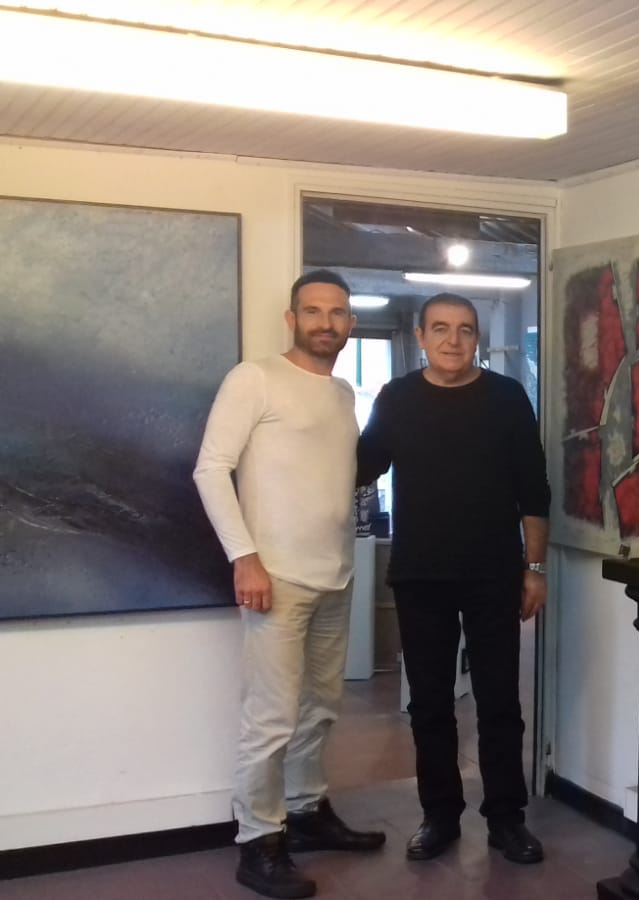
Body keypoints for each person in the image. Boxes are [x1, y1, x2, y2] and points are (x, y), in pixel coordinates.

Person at [194, 270, 386, 900]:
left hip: (335, 575)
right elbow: (211, 470)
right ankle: (258, 842)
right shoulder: (254, 379)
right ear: (292, 318)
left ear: (350, 323)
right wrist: (244, 557)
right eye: (313, 311)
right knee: (271, 718)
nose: (325, 323)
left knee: (320, 708)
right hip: (274, 577)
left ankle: (305, 812)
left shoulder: (342, 393)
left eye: (337, 313)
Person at [356, 292, 550, 865]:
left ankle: (506, 818)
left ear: (477, 340)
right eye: (440, 328)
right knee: (430, 705)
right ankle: (439, 815)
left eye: (465, 329)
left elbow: (533, 490)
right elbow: (360, 466)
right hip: (420, 575)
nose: (453, 339)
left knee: (499, 703)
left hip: (494, 574)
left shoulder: (506, 398)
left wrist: (534, 568)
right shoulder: (396, 399)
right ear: (420, 336)